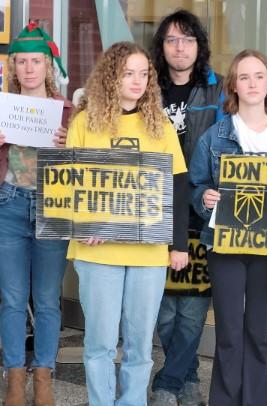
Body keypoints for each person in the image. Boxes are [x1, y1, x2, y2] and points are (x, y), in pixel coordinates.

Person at [65, 41, 189, 406]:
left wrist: (178, 243)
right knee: (100, 342)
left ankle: (133, 402)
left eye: (143, 74)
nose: (137, 81)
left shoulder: (160, 125)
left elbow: (177, 185)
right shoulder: (84, 122)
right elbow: (68, 183)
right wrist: (83, 224)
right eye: (127, 73)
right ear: (110, 77)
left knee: (139, 342)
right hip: (97, 250)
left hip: (148, 250)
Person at [190, 49, 267, 406]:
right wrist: (204, 198)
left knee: (258, 332)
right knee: (228, 332)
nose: (252, 83)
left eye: (258, 76)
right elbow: (197, 186)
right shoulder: (215, 135)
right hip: (225, 244)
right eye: (243, 77)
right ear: (233, 86)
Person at [149, 9, 224, 405]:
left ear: (200, 46)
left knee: (192, 305)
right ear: (162, 47)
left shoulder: (217, 89)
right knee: (163, 305)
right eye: (172, 40)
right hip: (153, 204)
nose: (180, 47)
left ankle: (169, 381)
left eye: (188, 39)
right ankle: (187, 374)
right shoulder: (147, 88)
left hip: (199, 204)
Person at [0, 22, 72, 406]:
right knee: (12, 298)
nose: (29, 69)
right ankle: (14, 378)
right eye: (22, 62)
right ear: (14, 67)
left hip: (52, 208)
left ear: (49, 66)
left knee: (46, 299)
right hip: (9, 204)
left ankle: (43, 376)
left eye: (36, 61)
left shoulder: (69, 113)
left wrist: (68, 143)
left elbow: (84, 169)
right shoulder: (1, 108)